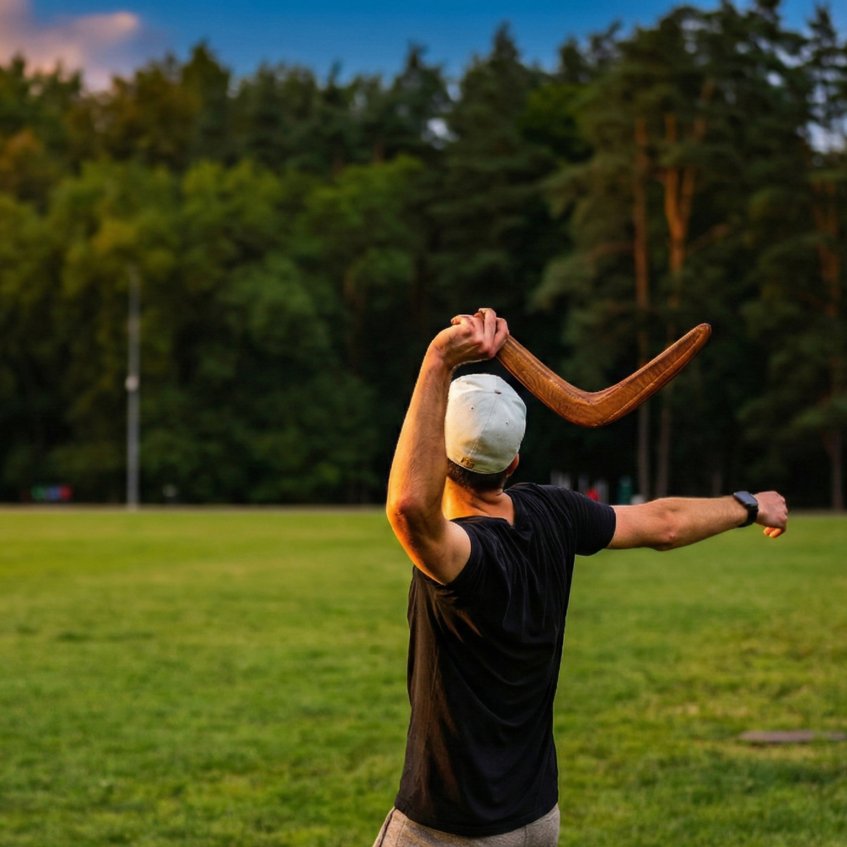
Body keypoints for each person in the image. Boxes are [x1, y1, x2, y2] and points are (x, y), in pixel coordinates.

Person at [373, 308, 788, 847]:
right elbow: (663, 523)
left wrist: (438, 361)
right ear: (514, 460)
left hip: (454, 826)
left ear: (440, 457)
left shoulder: (460, 555)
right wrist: (748, 505)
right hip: (536, 817)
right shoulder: (554, 514)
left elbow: (408, 505)